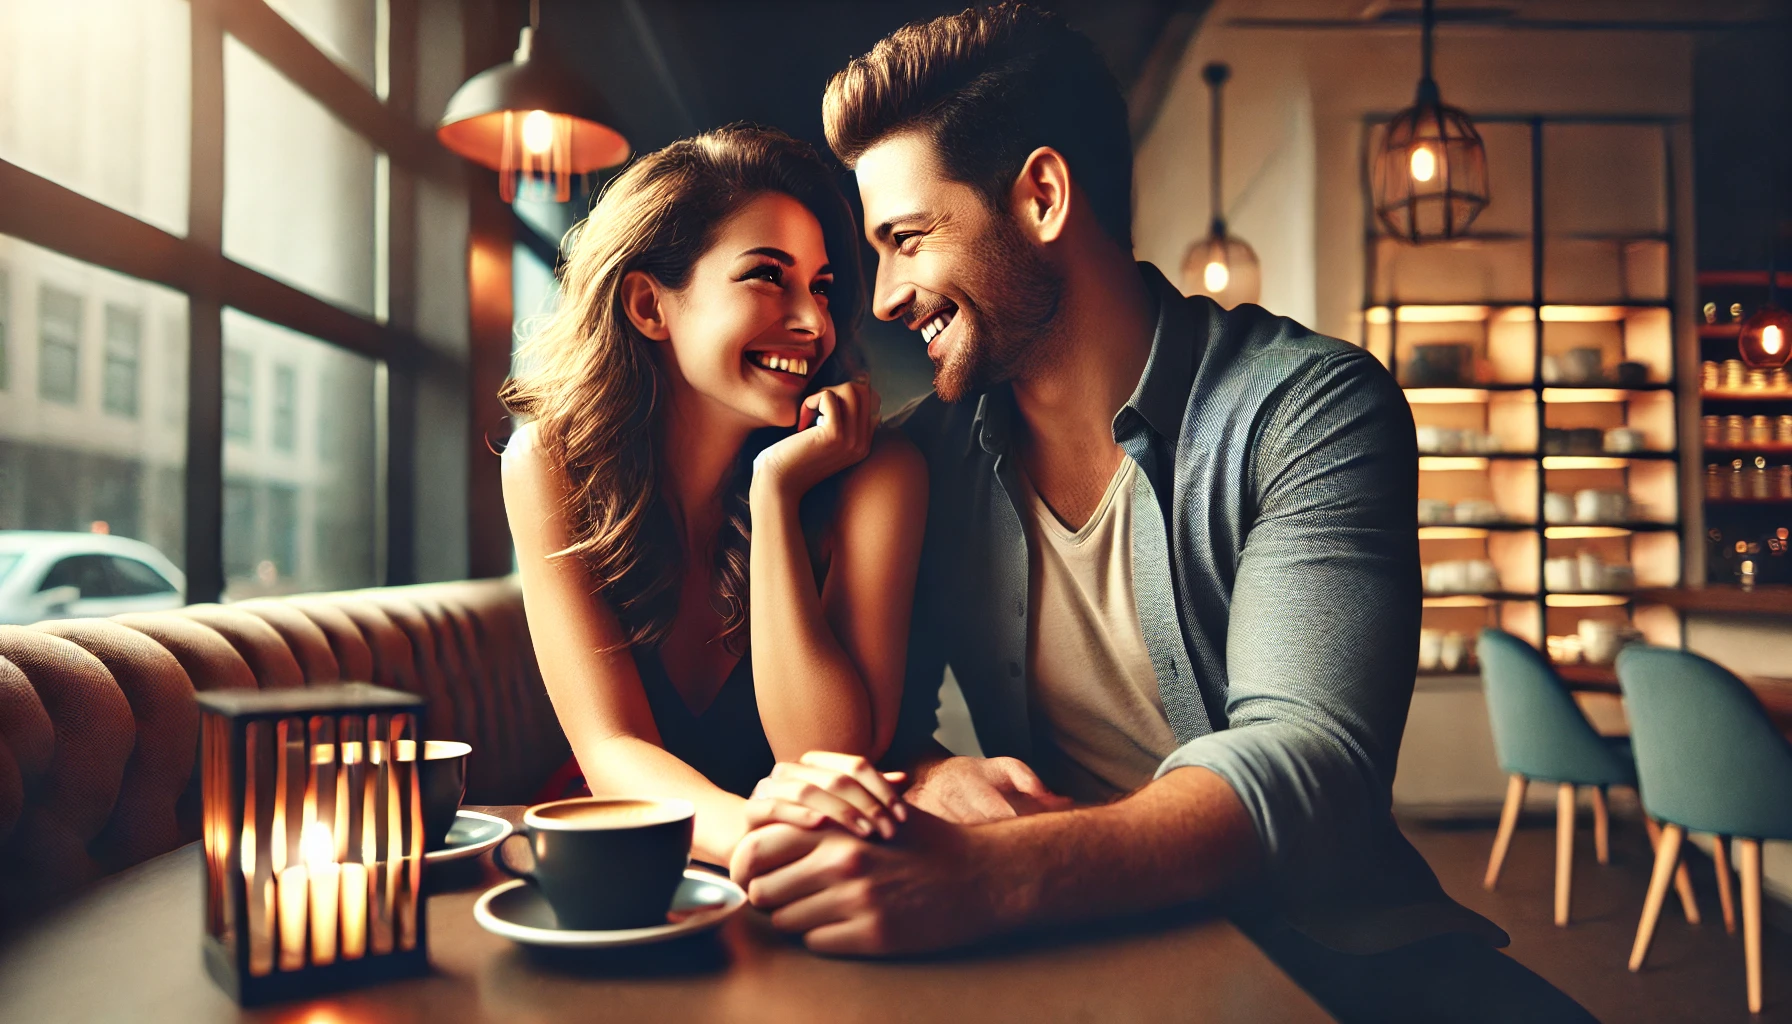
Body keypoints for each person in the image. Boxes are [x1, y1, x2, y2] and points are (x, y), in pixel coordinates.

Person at [727, 8, 1594, 1021]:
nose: (879, 300)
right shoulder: (927, 460)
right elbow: (873, 737)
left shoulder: (1310, 408)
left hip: (1338, 949)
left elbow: (1307, 764)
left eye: (905, 240)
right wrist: (934, 777)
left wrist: (989, 873)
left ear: (1041, 197)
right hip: (1075, 951)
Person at [500, 125, 928, 868]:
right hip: (650, 853)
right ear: (648, 305)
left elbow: (830, 752)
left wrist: (776, 494)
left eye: (822, 288)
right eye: (769, 275)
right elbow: (611, 747)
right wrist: (764, 840)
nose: (813, 323)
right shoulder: (547, 463)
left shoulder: (875, 474)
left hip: (831, 874)